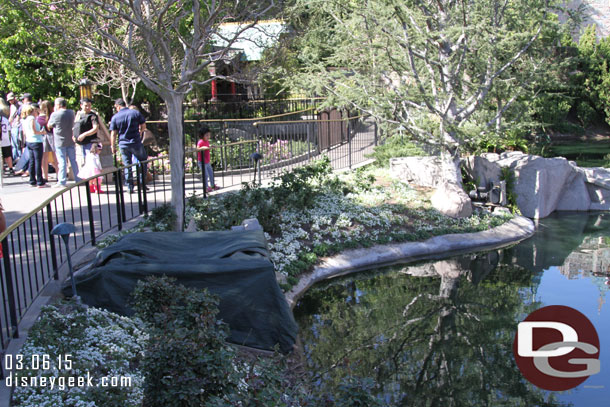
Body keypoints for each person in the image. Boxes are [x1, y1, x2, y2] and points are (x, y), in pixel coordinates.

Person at [109, 98, 147, 193]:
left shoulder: (115, 117)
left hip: (123, 144)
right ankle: (141, 183)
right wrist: (141, 131)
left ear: (118, 106)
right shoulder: (135, 113)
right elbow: (144, 125)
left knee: (127, 165)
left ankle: (130, 187)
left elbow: (113, 134)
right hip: (136, 142)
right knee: (143, 161)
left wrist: (112, 146)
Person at [48, 97, 81, 188]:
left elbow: (49, 125)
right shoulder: (71, 112)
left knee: (62, 161)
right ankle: (78, 178)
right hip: (70, 139)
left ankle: (62, 181)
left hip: (59, 140)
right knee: (73, 160)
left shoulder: (55, 114)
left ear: (58, 105)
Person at [22, 104, 48, 187]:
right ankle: (40, 181)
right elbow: (34, 131)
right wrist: (42, 132)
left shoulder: (25, 119)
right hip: (36, 141)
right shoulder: (32, 119)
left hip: (29, 141)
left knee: (32, 161)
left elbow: (25, 132)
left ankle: (32, 180)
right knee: (37, 161)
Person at [38, 100, 59, 182]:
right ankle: (58, 175)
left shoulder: (39, 118)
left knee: (44, 157)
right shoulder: (52, 115)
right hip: (52, 135)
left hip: (43, 136)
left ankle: (45, 176)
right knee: (55, 156)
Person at [197, 126, 219, 192]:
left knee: (211, 173)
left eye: (209, 135)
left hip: (207, 161)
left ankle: (212, 185)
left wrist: (211, 146)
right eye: (207, 135)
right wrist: (203, 147)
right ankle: (206, 187)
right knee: (205, 175)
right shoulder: (200, 142)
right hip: (202, 162)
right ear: (202, 135)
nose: (208, 136)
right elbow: (198, 148)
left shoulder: (207, 141)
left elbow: (207, 146)